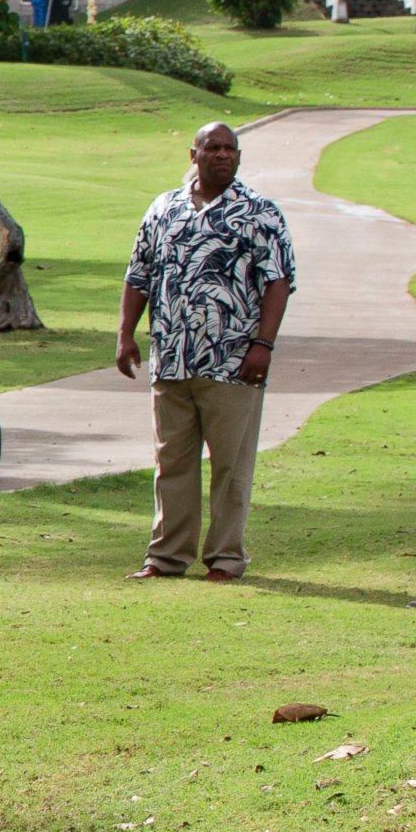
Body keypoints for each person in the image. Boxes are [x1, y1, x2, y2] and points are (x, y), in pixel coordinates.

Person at [118, 120, 295, 582]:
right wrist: (125, 335)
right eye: (213, 148)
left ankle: (226, 559)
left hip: (234, 362)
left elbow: (279, 281)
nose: (223, 155)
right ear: (192, 154)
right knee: (171, 463)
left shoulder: (260, 212)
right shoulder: (164, 209)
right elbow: (139, 276)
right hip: (172, 358)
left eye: (230, 149)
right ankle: (166, 557)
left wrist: (263, 344)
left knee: (230, 466)